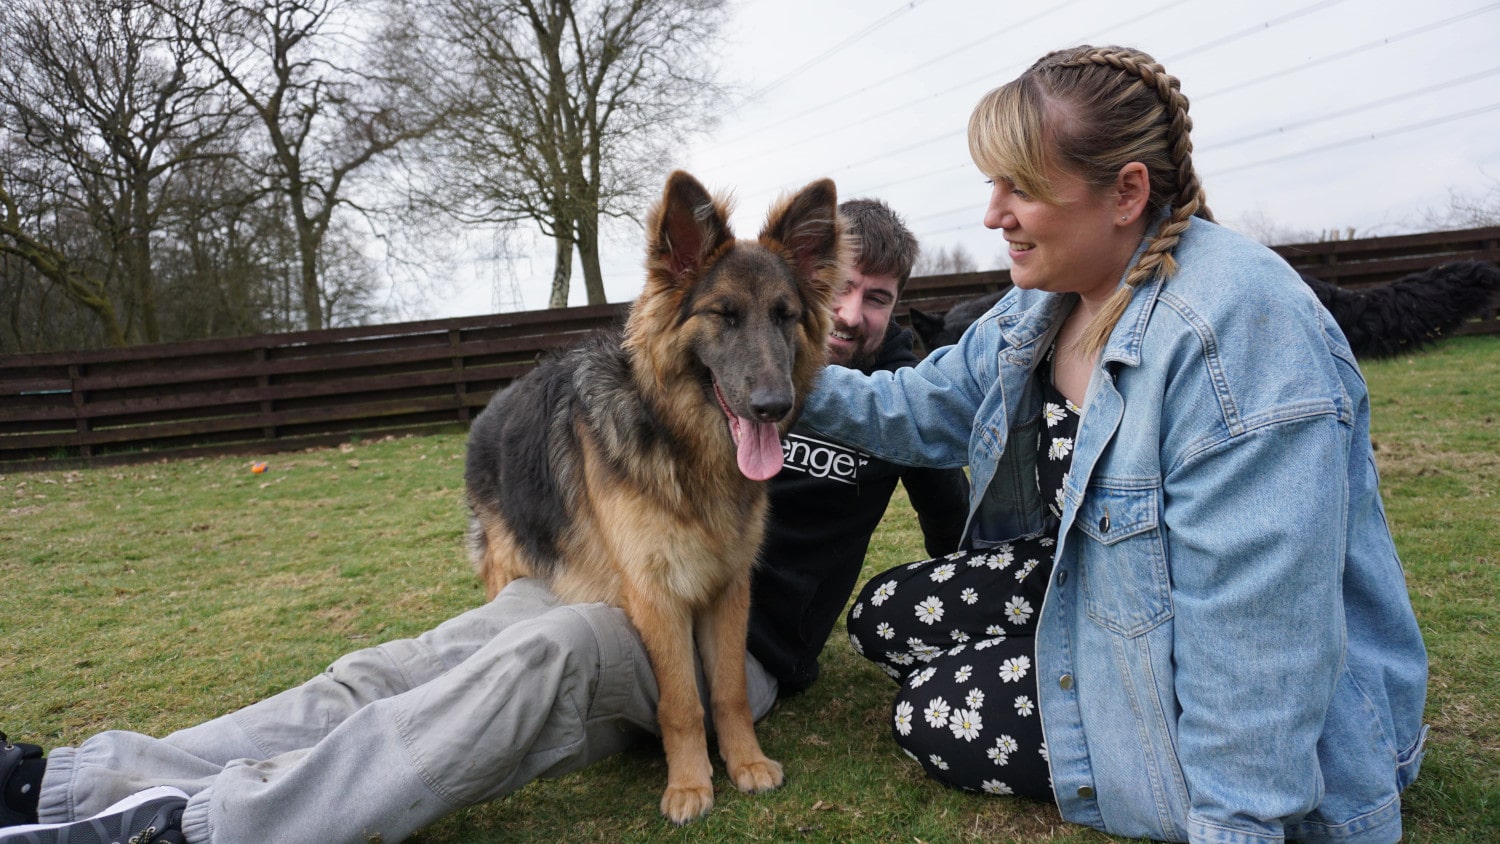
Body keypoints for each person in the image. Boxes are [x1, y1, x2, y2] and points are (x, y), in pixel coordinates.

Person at [0, 199, 968, 844]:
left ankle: (206, 827)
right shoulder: (711, 367)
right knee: (398, 665)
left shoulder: (906, 399)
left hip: (743, 653)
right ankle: (69, 784)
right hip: (619, 595)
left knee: (533, 663)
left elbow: (956, 530)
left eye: (873, 298)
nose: (848, 316)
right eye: (838, 293)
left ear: (894, 305)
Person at [798, 46, 1428, 844]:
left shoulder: (1235, 334)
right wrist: (771, 380)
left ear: (1127, 192)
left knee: (931, 710)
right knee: (884, 620)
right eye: (992, 184)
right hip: (1117, 595)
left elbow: (1259, 639)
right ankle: (1068, 659)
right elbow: (920, 409)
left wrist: (1239, 823)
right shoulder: (1050, 302)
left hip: (1258, 693)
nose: (993, 214)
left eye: (1019, 185)